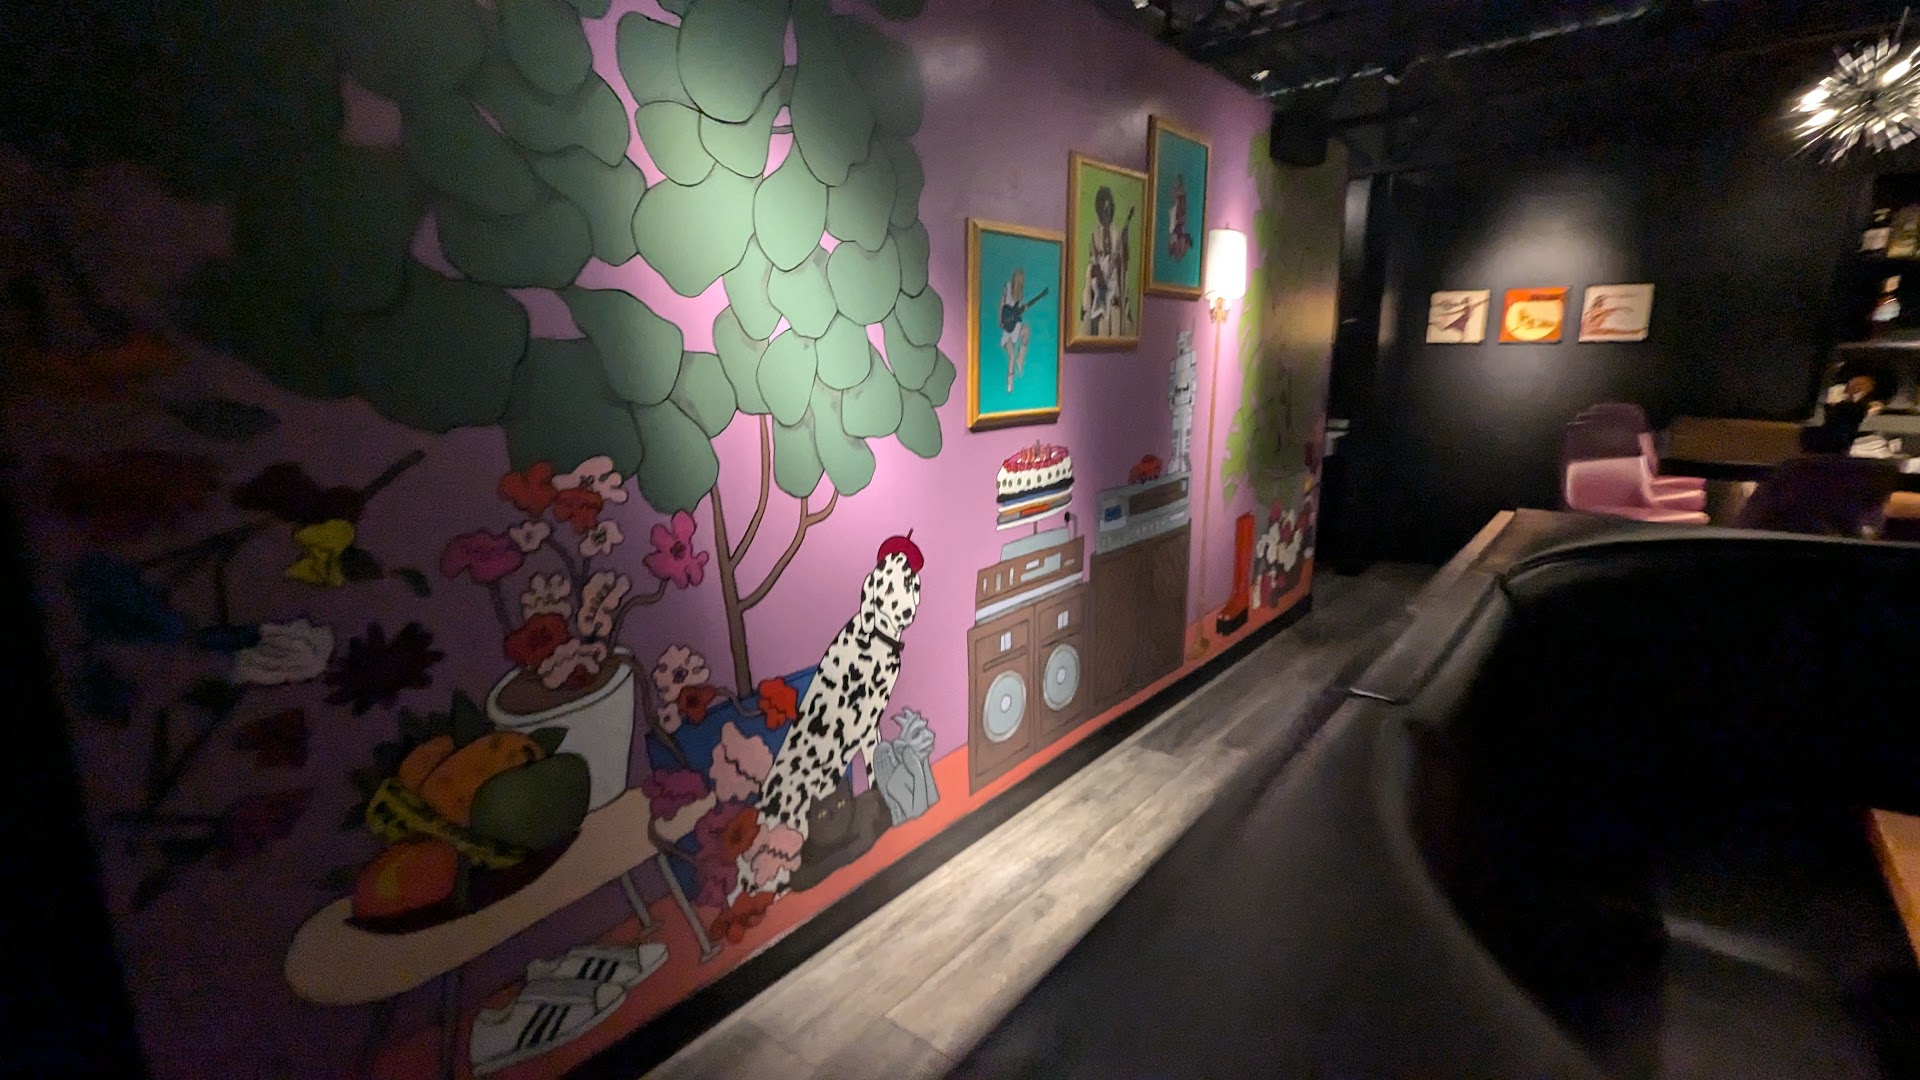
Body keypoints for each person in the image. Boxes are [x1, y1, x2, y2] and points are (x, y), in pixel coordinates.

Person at [1080, 186, 1136, 338]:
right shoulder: (1094, 234)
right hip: (1098, 291)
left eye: (1110, 208)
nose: (1107, 212)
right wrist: (1096, 272)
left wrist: (1123, 248)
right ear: (1098, 210)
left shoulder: (1117, 233)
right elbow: (1091, 261)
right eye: (1104, 208)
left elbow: (1125, 259)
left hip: (1114, 293)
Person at [998, 268, 1049, 393]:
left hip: (1015, 327)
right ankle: (1010, 384)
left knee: (1027, 331)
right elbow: (1002, 304)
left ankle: (1020, 359)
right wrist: (1001, 319)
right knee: (1011, 356)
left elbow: (1018, 310)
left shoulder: (1019, 293)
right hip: (1007, 331)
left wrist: (1024, 307)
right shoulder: (1008, 287)